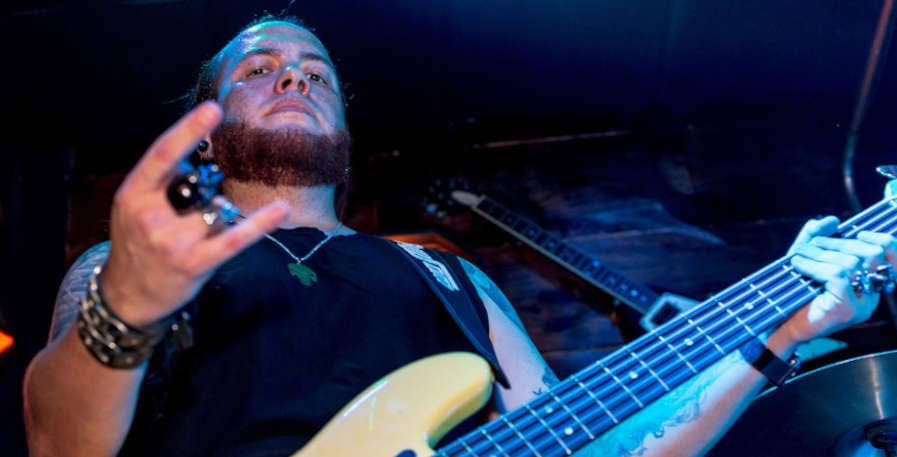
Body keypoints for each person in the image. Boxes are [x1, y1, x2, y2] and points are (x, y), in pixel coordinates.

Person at [21, 15, 896, 457]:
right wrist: (125, 308)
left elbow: (600, 447)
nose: (291, 71)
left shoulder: (447, 280)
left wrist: (780, 330)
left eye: (312, 69)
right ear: (208, 134)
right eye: (257, 70)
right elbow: (60, 445)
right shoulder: (127, 273)